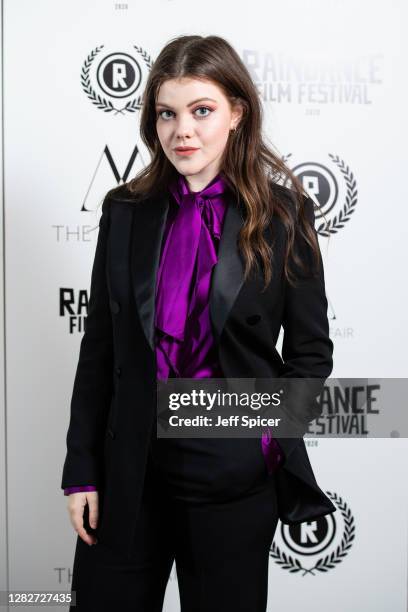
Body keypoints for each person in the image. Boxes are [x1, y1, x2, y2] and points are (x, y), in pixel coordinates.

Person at [61, 34, 335, 611]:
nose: (182, 130)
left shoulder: (286, 216)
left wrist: (257, 438)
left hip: (232, 480)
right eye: (167, 114)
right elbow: (101, 348)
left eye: (201, 111)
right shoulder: (124, 209)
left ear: (236, 113)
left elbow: (311, 353)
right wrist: (82, 470)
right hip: (129, 476)